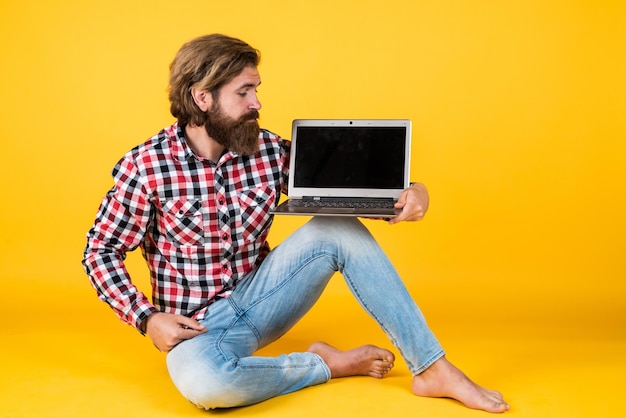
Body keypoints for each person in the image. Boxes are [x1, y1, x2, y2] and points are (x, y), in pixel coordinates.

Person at [82, 34, 509, 413]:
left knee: (335, 229)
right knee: (208, 385)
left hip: (265, 298)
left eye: (257, 90)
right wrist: (146, 317)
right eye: (244, 92)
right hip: (198, 326)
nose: (257, 104)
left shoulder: (266, 149)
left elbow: (350, 187)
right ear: (202, 98)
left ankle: (433, 369)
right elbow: (100, 252)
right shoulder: (146, 166)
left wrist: (416, 191)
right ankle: (326, 364)